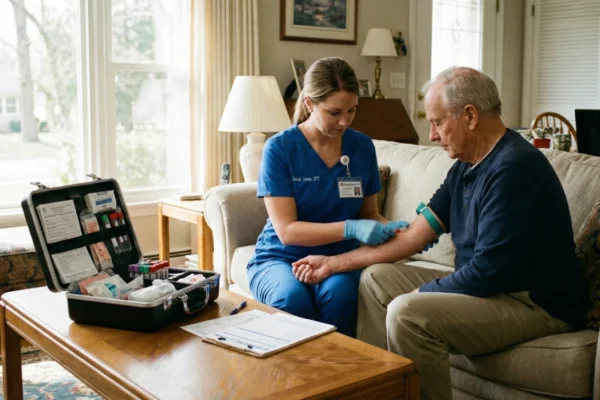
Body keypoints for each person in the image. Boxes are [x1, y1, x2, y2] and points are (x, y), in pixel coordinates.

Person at [292, 66, 587, 399]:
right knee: (375, 280)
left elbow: (488, 273)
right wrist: (333, 264)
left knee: (408, 314)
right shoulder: (465, 165)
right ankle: (382, 392)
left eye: (436, 122)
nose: (432, 135)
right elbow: (412, 237)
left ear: (470, 116)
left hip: (534, 303)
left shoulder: (514, 169)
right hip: (494, 288)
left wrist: (423, 292)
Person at [246, 57, 407, 337]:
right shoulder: (280, 149)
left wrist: (396, 231)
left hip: (339, 257)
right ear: (309, 103)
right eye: (334, 112)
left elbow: (369, 214)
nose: (344, 122)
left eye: (351, 111)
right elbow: (287, 231)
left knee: (340, 295)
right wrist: (351, 228)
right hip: (281, 256)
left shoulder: (361, 146)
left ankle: (340, 377)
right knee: (291, 300)